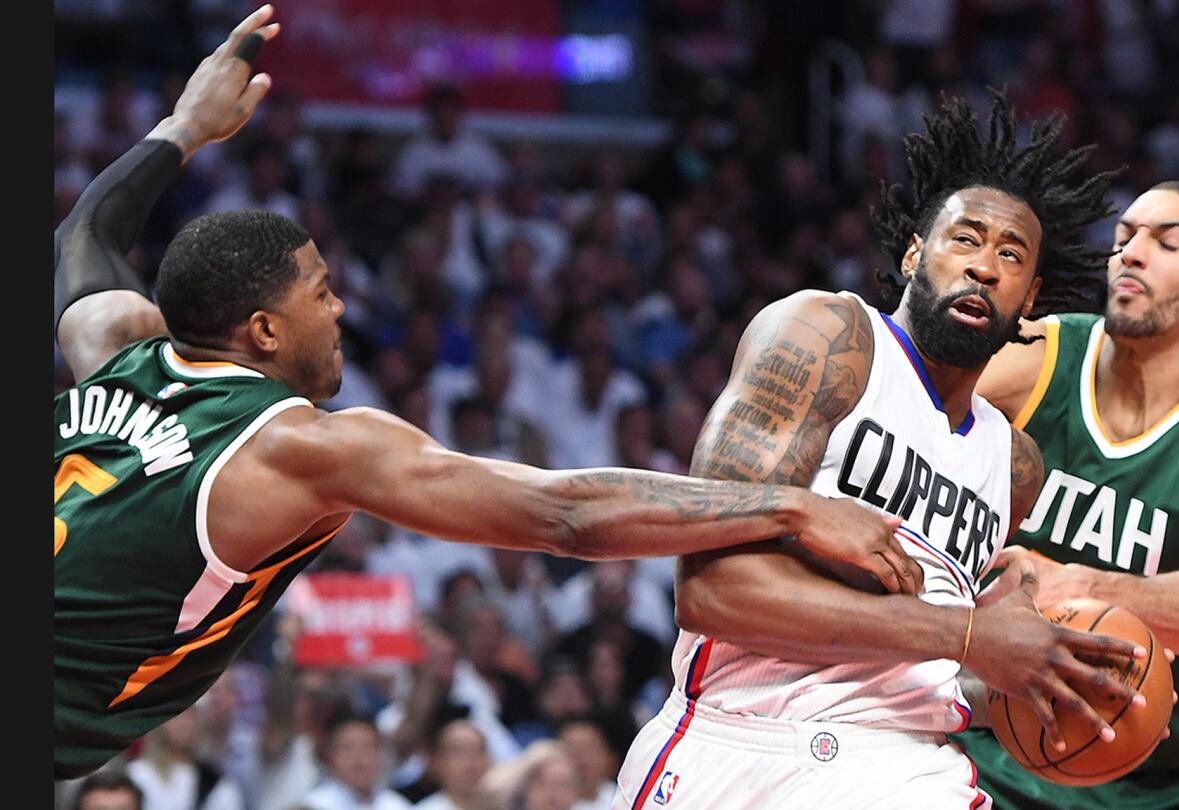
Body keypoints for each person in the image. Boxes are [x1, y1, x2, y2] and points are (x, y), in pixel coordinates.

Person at [53, 6, 921, 780]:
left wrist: (182, 127)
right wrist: (789, 508)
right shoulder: (299, 447)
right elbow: (566, 515)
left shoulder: (118, 351)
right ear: (265, 332)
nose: (341, 306)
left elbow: (83, 233)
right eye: (318, 291)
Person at [610, 91, 1152, 809]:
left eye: (1010, 254)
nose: (984, 266)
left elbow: (920, 666)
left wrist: (1048, 676)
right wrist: (968, 635)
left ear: (1030, 300)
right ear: (912, 254)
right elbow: (714, 593)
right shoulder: (828, 337)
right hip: (742, 743)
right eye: (965, 239)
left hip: (903, 767)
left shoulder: (1015, 465)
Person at [955, 180, 1179, 807]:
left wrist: (1080, 585)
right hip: (995, 745)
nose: (1131, 254)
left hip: (1163, 778)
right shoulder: (1036, 357)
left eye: (1167, 243)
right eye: (1123, 240)